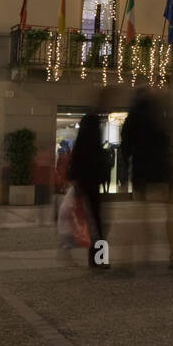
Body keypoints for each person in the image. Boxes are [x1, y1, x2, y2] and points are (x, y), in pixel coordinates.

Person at [121, 89, 173, 269]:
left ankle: (139, 254)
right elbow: (169, 145)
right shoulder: (162, 115)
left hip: (142, 173)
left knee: (140, 216)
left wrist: (126, 173)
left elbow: (126, 147)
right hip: (165, 172)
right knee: (171, 215)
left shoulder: (133, 118)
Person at [68, 113, 109, 269]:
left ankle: (96, 259)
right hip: (92, 185)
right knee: (96, 223)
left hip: (84, 184)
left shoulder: (82, 143)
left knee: (92, 223)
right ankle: (99, 259)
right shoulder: (94, 144)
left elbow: (75, 163)